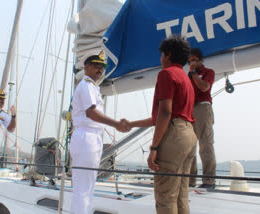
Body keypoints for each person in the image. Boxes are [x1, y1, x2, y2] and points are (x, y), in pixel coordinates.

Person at [126, 35, 196, 214]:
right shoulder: (186, 79)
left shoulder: (167, 74)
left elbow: (165, 112)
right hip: (189, 134)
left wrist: (154, 148)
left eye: (162, 55)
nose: (160, 59)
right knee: (180, 195)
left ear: (168, 54)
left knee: (165, 197)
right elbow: (162, 116)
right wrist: (131, 124)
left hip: (174, 135)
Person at [70, 52, 129, 214]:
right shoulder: (87, 86)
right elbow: (92, 113)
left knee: (86, 187)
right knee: (84, 188)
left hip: (90, 137)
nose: (100, 69)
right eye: (96, 65)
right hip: (86, 137)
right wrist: (116, 123)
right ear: (86, 67)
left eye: (102, 67)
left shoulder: (91, 86)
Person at [188, 48, 216, 189]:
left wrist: (193, 73)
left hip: (203, 108)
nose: (191, 63)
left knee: (205, 144)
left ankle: (209, 181)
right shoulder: (188, 76)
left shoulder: (208, 72)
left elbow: (205, 87)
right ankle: (190, 180)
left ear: (200, 60)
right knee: (189, 146)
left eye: (193, 60)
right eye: (189, 61)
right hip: (189, 109)